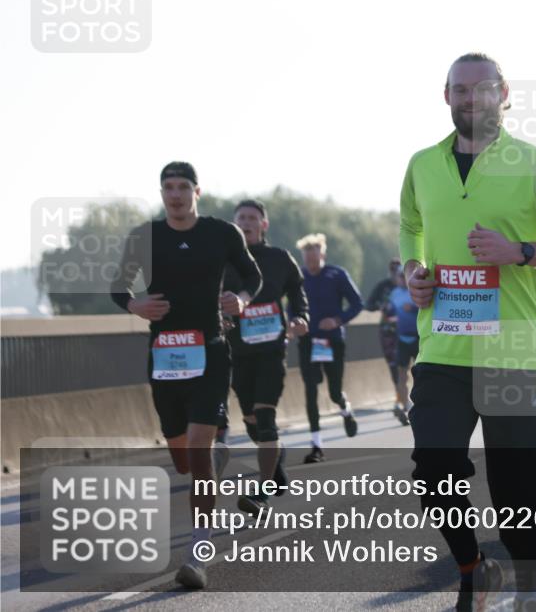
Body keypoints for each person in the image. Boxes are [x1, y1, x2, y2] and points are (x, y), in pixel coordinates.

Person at [399, 53, 536, 611]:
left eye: (481, 89)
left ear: (503, 93)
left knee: (519, 487)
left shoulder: (535, 164)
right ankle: (473, 568)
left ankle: (528, 591)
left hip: (513, 349)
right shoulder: (421, 164)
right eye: (459, 90)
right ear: (446, 97)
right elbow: (411, 225)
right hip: (442, 345)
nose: (470, 99)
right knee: (434, 468)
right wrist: (413, 270)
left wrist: (523, 252)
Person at [110, 162, 262, 589]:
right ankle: (210, 461)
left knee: (197, 447)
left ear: (198, 191)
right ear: (162, 193)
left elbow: (252, 275)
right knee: (183, 460)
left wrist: (243, 299)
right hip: (164, 356)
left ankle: (198, 554)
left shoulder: (221, 233)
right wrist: (134, 306)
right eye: (167, 188)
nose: (175, 195)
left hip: (211, 351)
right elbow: (118, 287)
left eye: (183, 187)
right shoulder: (145, 236)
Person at [222, 199, 309, 513]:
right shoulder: (224, 261)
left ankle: (262, 493)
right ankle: (277, 464)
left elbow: (298, 291)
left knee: (267, 418)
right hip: (237, 353)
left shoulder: (278, 258)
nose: (246, 222)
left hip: (272, 350)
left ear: (263, 225)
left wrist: (301, 318)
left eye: (251, 218)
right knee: (250, 420)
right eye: (240, 218)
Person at [296, 233, 364, 462]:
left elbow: (358, 303)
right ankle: (316, 445)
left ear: (322, 254)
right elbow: (291, 306)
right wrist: (293, 323)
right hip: (308, 340)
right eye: (307, 258)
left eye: (314, 256)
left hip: (332, 339)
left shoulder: (337, 274)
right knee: (310, 390)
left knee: (334, 391)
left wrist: (337, 320)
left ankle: (345, 408)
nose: (311, 262)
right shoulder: (299, 277)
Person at [383, 266, 417, 424]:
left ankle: (422, 405)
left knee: (421, 376)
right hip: (402, 339)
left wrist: (414, 309)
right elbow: (389, 313)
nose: (402, 279)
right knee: (401, 375)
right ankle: (405, 408)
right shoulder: (394, 294)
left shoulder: (416, 288)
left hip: (418, 338)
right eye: (399, 276)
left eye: (404, 276)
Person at [366, 258, 403, 397]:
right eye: (392, 270)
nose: (395, 274)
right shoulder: (383, 286)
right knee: (393, 362)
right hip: (388, 330)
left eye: (397, 270)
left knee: (410, 363)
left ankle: (411, 392)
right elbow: (368, 305)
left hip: (408, 329)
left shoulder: (408, 285)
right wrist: (380, 306)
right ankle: (399, 393)